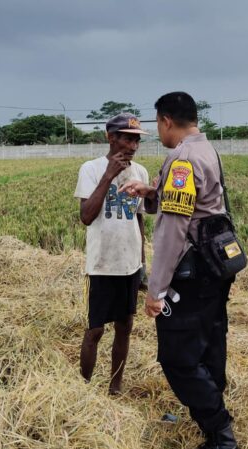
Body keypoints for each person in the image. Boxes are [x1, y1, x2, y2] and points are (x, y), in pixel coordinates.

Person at [119, 92, 238, 449]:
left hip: (192, 273)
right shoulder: (206, 150)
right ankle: (213, 417)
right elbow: (195, 202)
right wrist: (150, 190)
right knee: (210, 341)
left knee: (177, 358)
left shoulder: (183, 159)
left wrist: (155, 291)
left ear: (167, 121)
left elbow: (173, 229)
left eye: (157, 124)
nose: (159, 131)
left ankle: (221, 435)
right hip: (216, 268)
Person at [73, 112, 149, 395]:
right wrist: (109, 176)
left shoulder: (140, 172)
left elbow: (139, 219)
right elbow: (86, 216)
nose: (133, 146)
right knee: (95, 331)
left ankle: (115, 387)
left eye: (136, 140)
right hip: (101, 265)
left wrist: (142, 262)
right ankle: (84, 389)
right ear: (111, 137)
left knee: (125, 326)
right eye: (127, 139)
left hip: (129, 264)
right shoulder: (91, 169)